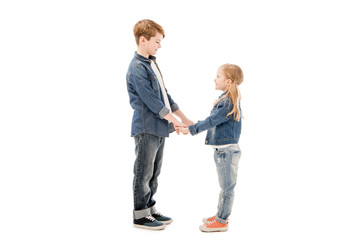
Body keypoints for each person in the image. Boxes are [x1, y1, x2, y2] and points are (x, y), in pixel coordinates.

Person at [126, 19, 193, 230]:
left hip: (160, 127)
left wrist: (183, 118)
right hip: (146, 128)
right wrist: (175, 122)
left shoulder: (151, 64)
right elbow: (152, 102)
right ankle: (140, 215)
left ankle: (150, 208)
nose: (159, 46)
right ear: (143, 40)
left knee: (154, 172)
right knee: (143, 172)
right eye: (156, 41)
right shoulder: (137, 67)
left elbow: (165, 96)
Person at [179, 64, 243, 232]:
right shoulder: (226, 99)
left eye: (218, 76)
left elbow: (212, 121)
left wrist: (192, 129)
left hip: (227, 152)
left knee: (227, 188)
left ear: (228, 81)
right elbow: (211, 120)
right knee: (224, 187)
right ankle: (220, 215)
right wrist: (194, 126)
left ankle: (222, 221)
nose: (214, 79)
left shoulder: (228, 102)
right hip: (223, 152)